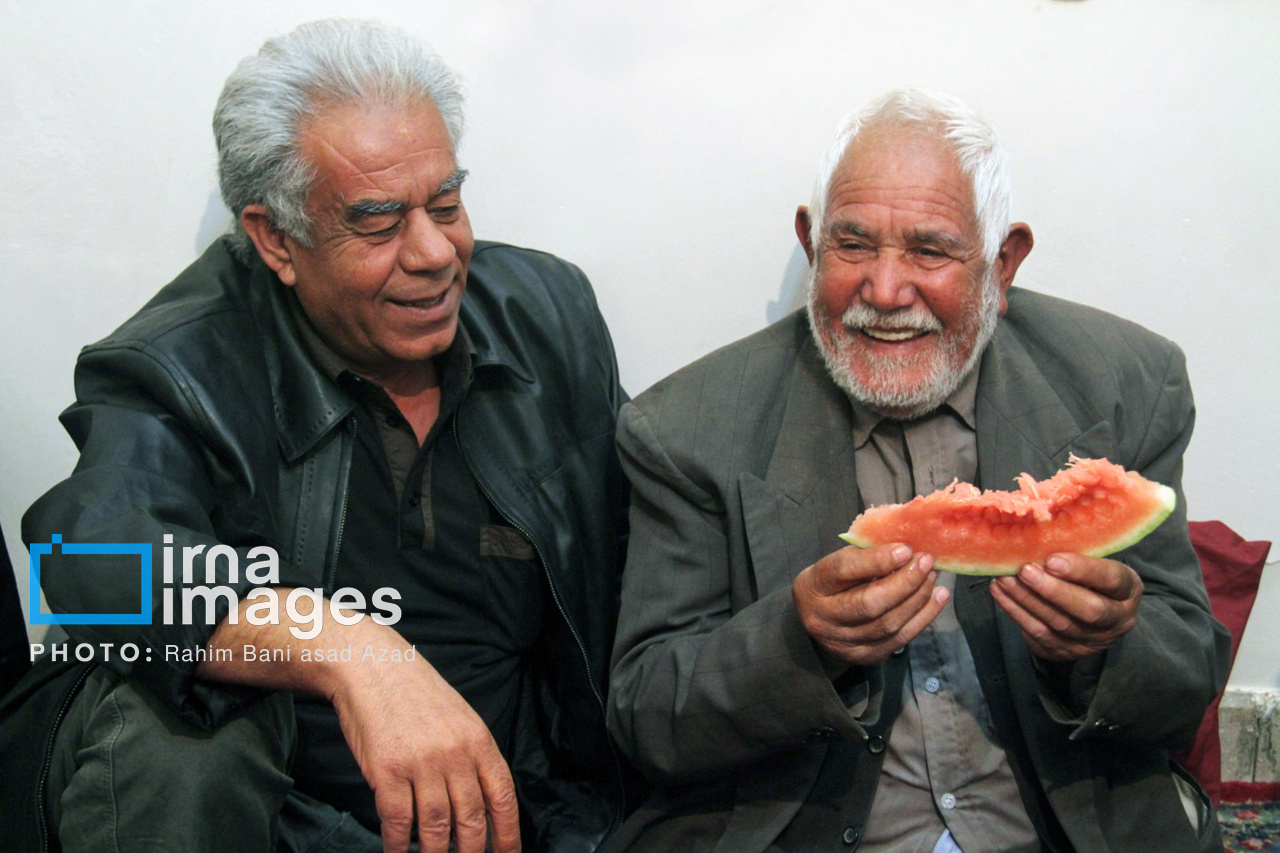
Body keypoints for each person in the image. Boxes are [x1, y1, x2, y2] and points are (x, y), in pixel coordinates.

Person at [3, 19, 631, 853]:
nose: (435, 252)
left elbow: (645, 535)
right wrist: (351, 647)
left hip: (527, 811)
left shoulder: (545, 312)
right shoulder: (181, 361)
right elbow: (85, 560)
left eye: (447, 204)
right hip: (287, 821)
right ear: (275, 238)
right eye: (379, 223)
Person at [603, 88, 1230, 852]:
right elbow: (647, 714)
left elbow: (1186, 678)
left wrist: (1101, 647)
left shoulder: (1127, 383)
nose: (886, 290)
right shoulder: (686, 427)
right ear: (810, 243)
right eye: (853, 244)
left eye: (930, 251)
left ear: (1003, 262)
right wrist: (798, 641)